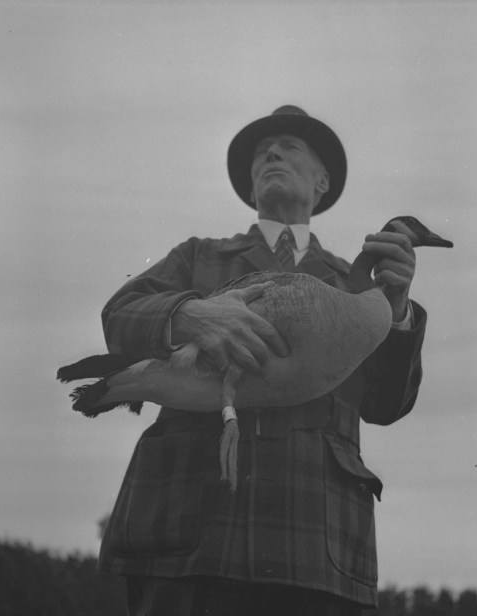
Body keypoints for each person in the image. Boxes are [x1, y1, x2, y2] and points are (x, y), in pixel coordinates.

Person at [97, 105, 426, 616]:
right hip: (190, 542)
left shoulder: (357, 288)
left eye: (290, 146)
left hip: (317, 549)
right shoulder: (198, 258)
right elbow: (119, 316)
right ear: (251, 187)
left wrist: (396, 309)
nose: (271, 153)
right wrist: (189, 315)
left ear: (322, 181)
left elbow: (385, 406)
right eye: (260, 152)